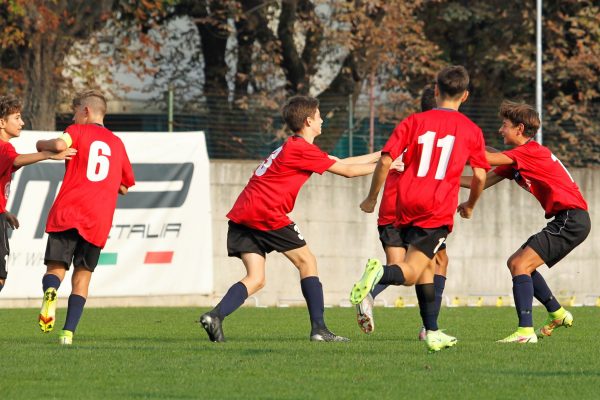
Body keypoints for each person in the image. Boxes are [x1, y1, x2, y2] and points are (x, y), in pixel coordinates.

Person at [199, 95, 379, 343]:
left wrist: (383, 156)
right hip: (266, 212)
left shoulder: (293, 146)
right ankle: (319, 330)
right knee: (308, 262)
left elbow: (341, 162)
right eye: (319, 116)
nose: (322, 120)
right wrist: (388, 167)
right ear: (308, 121)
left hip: (243, 212)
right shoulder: (300, 149)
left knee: (256, 278)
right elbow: (347, 172)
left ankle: (215, 316)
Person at [350, 65, 490, 352]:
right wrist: (470, 205)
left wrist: (371, 198)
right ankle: (378, 275)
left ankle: (433, 331)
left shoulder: (412, 122)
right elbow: (479, 175)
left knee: (427, 267)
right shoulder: (471, 130)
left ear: (436, 90)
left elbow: (386, 161)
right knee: (412, 272)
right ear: (465, 96)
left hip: (405, 204)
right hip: (436, 209)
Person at [461, 100, 590, 344]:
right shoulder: (517, 159)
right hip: (569, 219)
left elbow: (485, 157)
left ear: (519, 129)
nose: (501, 130)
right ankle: (558, 314)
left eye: (504, 125)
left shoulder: (529, 152)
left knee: (521, 265)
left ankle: (525, 333)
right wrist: (443, 178)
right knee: (516, 263)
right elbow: (480, 181)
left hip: (572, 218)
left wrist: (454, 145)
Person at [36, 90, 135, 345]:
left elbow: (59, 145)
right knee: (82, 276)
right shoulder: (117, 143)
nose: (74, 116)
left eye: (75, 111)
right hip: (97, 219)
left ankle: (50, 291)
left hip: (69, 211)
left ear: (86, 111)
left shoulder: (77, 131)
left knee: (56, 268)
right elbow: (125, 186)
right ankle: (67, 334)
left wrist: (42, 146)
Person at [356, 85, 450, 342]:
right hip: (420, 212)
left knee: (402, 268)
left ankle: (370, 293)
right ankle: (430, 328)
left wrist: (372, 198)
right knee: (435, 263)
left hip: (389, 212)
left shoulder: (409, 130)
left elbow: (384, 160)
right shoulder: (442, 137)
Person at [0, 95, 76, 294]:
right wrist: (49, 154)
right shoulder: (3, 148)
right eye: (16, 117)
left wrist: (3, 210)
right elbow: (16, 160)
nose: (22, 122)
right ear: (1, 122)